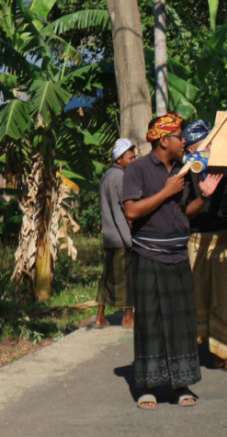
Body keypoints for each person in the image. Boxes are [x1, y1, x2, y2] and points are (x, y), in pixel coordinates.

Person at [122, 113, 222, 409]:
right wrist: (166, 190)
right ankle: (148, 386)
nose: (185, 142)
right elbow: (131, 212)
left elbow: (184, 212)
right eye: (180, 137)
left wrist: (204, 197)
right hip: (148, 256)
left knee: (181, 322)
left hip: (179, 255)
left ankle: (180, 384)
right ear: (164, 140)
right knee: (150, 322)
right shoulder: (138, 169)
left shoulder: (184, 169)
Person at [184, 120, 227, 374]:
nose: (207, 151)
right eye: (202, 147)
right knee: (193, 298)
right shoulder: (183, 174)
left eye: (210, 145)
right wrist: (204, 194)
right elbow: (182, 213)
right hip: (194, 243)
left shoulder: (222, 169)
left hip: (221, 242)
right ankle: (187, 353)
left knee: (223, 299)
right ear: (189, 150)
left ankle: (222, 353)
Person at [95, 138, 136, 329]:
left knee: (107, 277)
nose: (133, 162)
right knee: (127, 278)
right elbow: (121, 212)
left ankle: (100, 316)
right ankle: (128, 317)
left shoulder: (106, 176)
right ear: (119, 159)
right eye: (130, 158)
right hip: (121, 237)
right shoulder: (120, 178)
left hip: (109, 236)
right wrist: (129, 239)